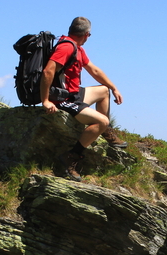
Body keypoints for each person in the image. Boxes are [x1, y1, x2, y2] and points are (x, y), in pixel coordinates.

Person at [40, 16, 126, 181]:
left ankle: (105, 131)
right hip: (63, 99)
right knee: (102, 120)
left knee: (103, 91)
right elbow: (48, 71)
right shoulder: (66, 48)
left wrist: (113, 87)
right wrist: (46, 100)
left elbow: (94, 70)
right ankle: (71, 156)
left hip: (74, 93)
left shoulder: (77, 47)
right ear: (87, 34)